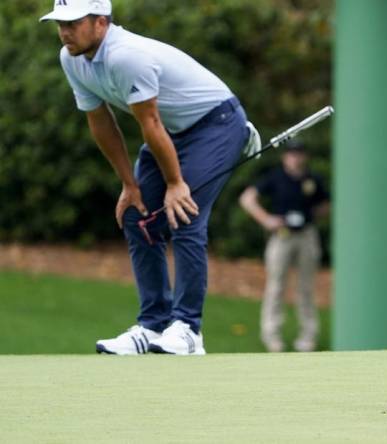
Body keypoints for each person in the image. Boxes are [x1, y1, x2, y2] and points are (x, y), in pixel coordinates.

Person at [41, 0, 261, 355]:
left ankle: (188, 329)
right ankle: (154, 324)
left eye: (74, 22)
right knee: (135, 214)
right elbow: (100, 121)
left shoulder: (126, 56)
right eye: (60, 23)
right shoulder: (71, 59)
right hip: (173, 131)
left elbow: (150, 123)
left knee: (184, 212)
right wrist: (129, 185)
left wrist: (176, 184)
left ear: (100, 22)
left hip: (216, 124)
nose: (65, 31)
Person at [239, 139, 329, 352]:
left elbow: (326, 204)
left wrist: (311, 216)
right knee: (276, 286)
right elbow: (248, 198)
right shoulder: (275, 178)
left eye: (299, 154)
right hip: (282, 236)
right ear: (285, 157)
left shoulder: (312, 179)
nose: (295, 158)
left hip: (306, 235)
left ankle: (308, 336)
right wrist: (266, 219)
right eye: (291, 154)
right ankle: (272, 335)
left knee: (306, 287)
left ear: (304, 156)